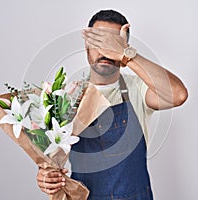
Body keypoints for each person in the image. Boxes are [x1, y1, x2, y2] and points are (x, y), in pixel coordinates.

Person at [36, 9, 188, 199]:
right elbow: (53, 159)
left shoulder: (138, 89)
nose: (105, 51)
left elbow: (179, 95)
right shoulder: (67, 97)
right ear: (86, 46)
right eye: (99, 42)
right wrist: (46, 176)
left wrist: (126, 54)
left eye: (112, 44)